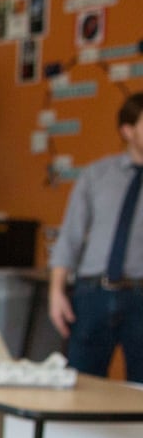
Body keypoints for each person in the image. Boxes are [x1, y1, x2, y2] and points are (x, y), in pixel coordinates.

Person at [47, 92, 143, 377]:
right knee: (80, 381)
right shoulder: (96, 175)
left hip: (140, 296)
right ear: (128, 130)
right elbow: (70, 237)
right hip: (92, 294)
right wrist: (56, 291)